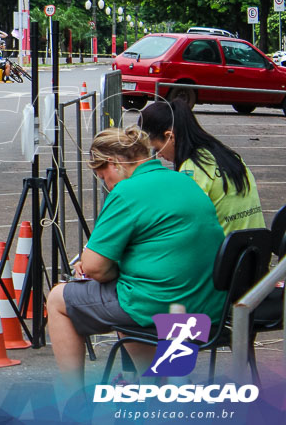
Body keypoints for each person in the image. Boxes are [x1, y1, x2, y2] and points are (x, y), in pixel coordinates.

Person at [47, 126, 226, 390]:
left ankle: (73, 401)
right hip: (208, 309)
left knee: (57, 299)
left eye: (103, 175)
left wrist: (104, 271)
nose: (106, 184)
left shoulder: (128, 192)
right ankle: (158, 381)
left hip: (160, 305)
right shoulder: (183, 180)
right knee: (125, 295)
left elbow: (94, 267)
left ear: (115, 163)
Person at [139, 99, 264, 234]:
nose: (159, 155)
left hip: (224, 251)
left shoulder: (193, 168)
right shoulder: (225, 155)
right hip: (254, 249)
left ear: (170, 136)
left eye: (157, 149)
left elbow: (182, 221)